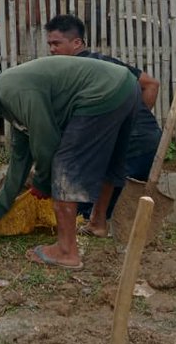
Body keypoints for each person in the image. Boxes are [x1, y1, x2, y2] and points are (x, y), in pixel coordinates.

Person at [0, 53, 138, 270]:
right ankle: (98, 223)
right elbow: (20, 157)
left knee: (64, 166)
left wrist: (43, 182)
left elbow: (47, 142)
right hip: (125, 86)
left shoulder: (11, 88)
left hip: (101, 93)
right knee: (110, 158)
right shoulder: (12, 96)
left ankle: (66, 251)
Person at [44, 14, 161, 237]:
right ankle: (100, 222)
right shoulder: (102, 63)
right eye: (50, 44)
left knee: (81, 207)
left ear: (77, 43)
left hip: (135, 147)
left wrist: (126, 123)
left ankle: (100, 221)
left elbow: (151, 85)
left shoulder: (85, 69)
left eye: (57, 43)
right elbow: (150, 84)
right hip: (144, 140)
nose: (51, 49)